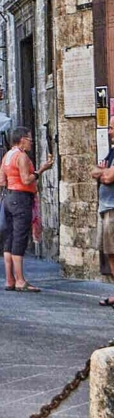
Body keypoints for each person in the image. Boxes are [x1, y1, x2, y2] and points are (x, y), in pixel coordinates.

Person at [0, 126, 53, 292]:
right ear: (22, 139)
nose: (31, 142)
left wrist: (11, 183)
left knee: (10, 238)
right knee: (20, 238)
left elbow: (0, 180)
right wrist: (41, 170)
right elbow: (27, 179)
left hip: (9, 198)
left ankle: (9, 279)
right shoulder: (21, 156)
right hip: (21, 199)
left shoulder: (7, 155)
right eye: (29, 139)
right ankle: (20, 280)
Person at [93, 116, 114, 307]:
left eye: (112, 128)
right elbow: (95, 171)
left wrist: (103, 173)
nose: (109, 132)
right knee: (109, 252)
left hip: (113, 209)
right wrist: (102, 172)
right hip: (105, 208)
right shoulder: (112, 152)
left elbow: (108, 177)